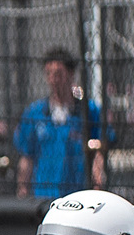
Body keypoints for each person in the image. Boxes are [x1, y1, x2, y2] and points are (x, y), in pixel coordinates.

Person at [14, 47, 108, 199]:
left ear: (71, 74)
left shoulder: (89, 111)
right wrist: (23, 190)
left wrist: (97, 186)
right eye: (48, 74)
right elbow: (27, 157)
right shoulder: (34, 114)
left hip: (77, 196)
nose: (53, 80)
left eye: (58, 74)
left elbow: (98, 152)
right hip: (43, 196)